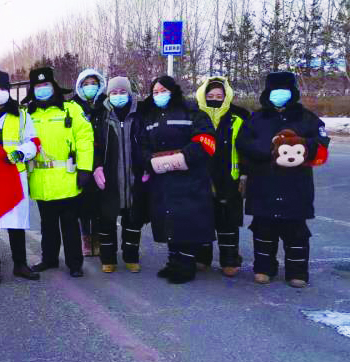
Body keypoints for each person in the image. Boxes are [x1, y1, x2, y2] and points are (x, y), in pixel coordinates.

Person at [236, 71, 329, 288]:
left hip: (296, 184)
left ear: (292, 92)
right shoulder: (256, 118)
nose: (279, 94)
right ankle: (263, 268)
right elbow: (243, 144)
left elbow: (322, 141)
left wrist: (300, 146)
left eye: (284, 90)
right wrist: (270, 150)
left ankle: (297, 272)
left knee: (296, 231)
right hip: (263, 182)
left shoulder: (306, 117)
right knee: (263, 228)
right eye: (275, 90)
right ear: (268, 93)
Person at [135, 75, 216, 284]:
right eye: (155, 92)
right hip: (161, 179)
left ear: (173, 91)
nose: (159, 95)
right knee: (168, 220)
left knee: (186, 220)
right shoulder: (150, 117)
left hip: (189, 177)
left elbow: (207, 140)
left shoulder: (191, 111)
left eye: (163, 90)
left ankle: (186, 265)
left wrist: (182, 158)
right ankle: (173, 261)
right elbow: (141, 145)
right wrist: (149, 161)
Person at [24, 67, 93, 278]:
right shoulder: (27, 114)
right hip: (40, 179)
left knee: (70, 225)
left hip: (68, 178)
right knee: (47, 224)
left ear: (53, 86)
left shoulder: (70, 109)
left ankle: (75, 264)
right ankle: (49, 259)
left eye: (45, 85)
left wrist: (85, 168)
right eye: (37, 86)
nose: (42, 89)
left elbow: (85, 138)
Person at [0, 70, 41, 285]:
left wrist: (21, 153)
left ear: (9, 90)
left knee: (16, 224)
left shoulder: (22, 115)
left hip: (15, 175)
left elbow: (34, 141)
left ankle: (20, 265)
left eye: (3, 88)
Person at [194, 76, 249, 277]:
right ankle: (202, 258)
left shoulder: (238, 117)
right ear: (203, 95)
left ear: (227, 96)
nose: (215, 98)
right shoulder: (195, 115)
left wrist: (245, 174)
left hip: (229, 179)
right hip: (200, 177)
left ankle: (229, 260)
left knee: (228, 222)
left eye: (219, 95)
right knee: (202, 219)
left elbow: (246, 149)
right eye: (210, 95)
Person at [93, 77, 144, 273]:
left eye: (122, 92)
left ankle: (131, 257)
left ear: (129, 94)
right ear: (108, 95)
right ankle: (108, 259)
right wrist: (96, 166)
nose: (118, 96)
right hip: (109, 178)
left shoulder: (138, 114)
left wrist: (146, 166)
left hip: (134, 176)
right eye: (114, 93)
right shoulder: (101, 116)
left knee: (133, 220)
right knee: (106, 219)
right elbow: (94, 145)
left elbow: (147, 141)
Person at [72, 69, 107, 256]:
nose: (89, 87)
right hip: (82, 160)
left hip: (103, 158)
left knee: (100, 202)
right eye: (85, 84)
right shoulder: (73, 105)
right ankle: (85, 239)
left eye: (93, 83)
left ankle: (98, 239)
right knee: (84, 203)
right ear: (79, 86)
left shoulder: (105, 104)